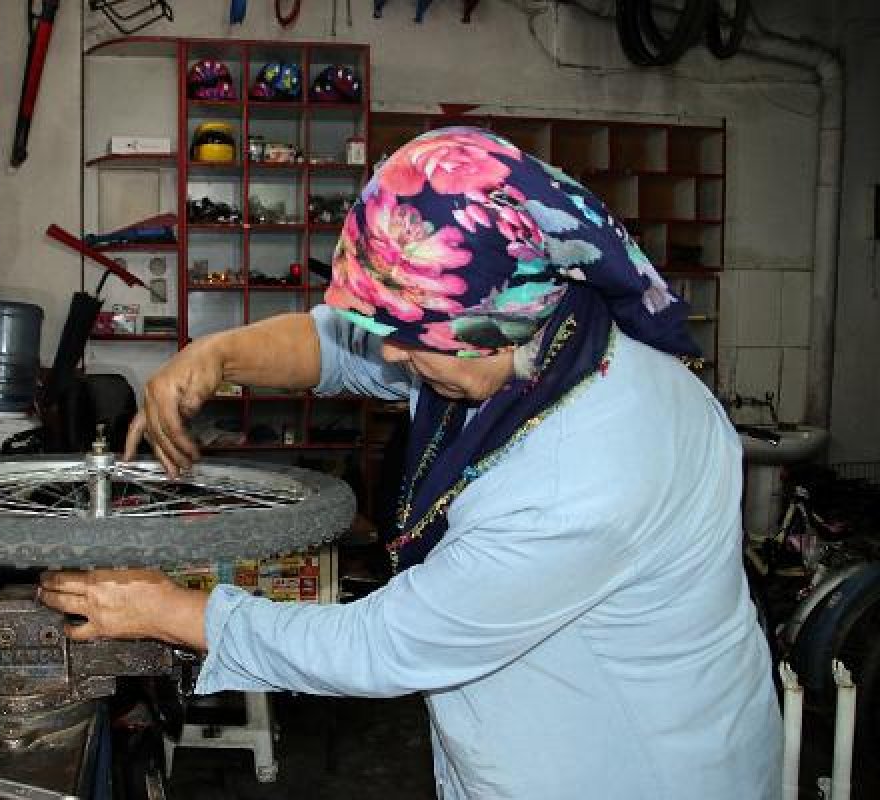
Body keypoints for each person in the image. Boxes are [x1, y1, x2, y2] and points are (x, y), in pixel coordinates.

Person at [40, 127, 782, 798]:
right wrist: (218, 354)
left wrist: (166, 610)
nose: (391, 353)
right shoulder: (529, 326)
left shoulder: (589, 477)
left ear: (495, 323)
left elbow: (383, 643)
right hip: (520, 739)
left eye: (410, 335)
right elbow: (338, 343)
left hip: (625, 769)